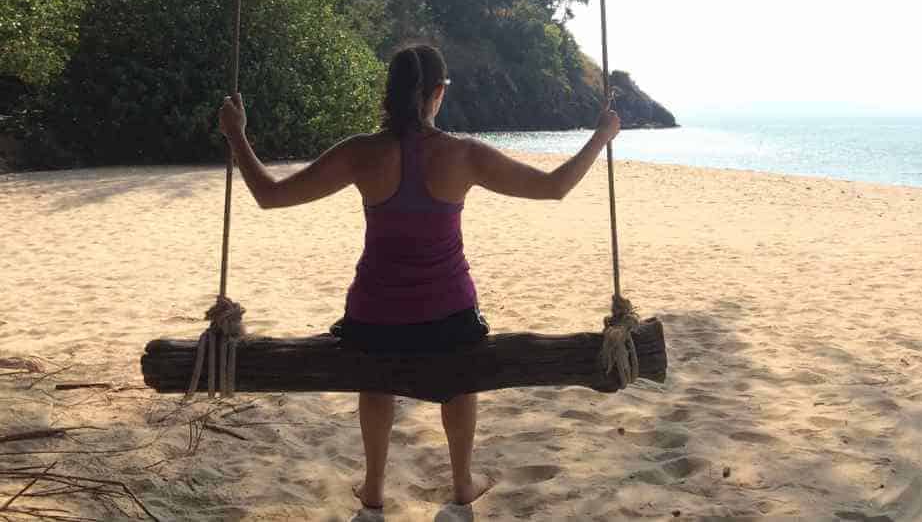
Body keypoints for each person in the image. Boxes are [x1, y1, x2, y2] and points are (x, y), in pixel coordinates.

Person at [217, 43, 621, 519]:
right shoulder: (464, 155)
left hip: (373, 319)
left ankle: (372, 492)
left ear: (387, 94)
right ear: (437, 94)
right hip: (448, 320)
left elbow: (269, 195)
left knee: (375, 375)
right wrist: (601, 136)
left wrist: (236, 135)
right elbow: (554, 187)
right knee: (462, 373)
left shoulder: (360, 153)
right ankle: (462, 485)